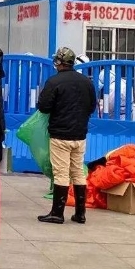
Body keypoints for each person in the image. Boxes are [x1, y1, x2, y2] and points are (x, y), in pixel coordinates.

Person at [37, 47, 96, 225]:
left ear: (58, 62)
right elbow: (92, 106)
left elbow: (44, 107)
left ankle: (57, 213)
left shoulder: (54, 81)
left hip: (60, 135)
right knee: (78, 171)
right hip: (80, 135)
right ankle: (80, 213)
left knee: (61, 173)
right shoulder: (86, 82)